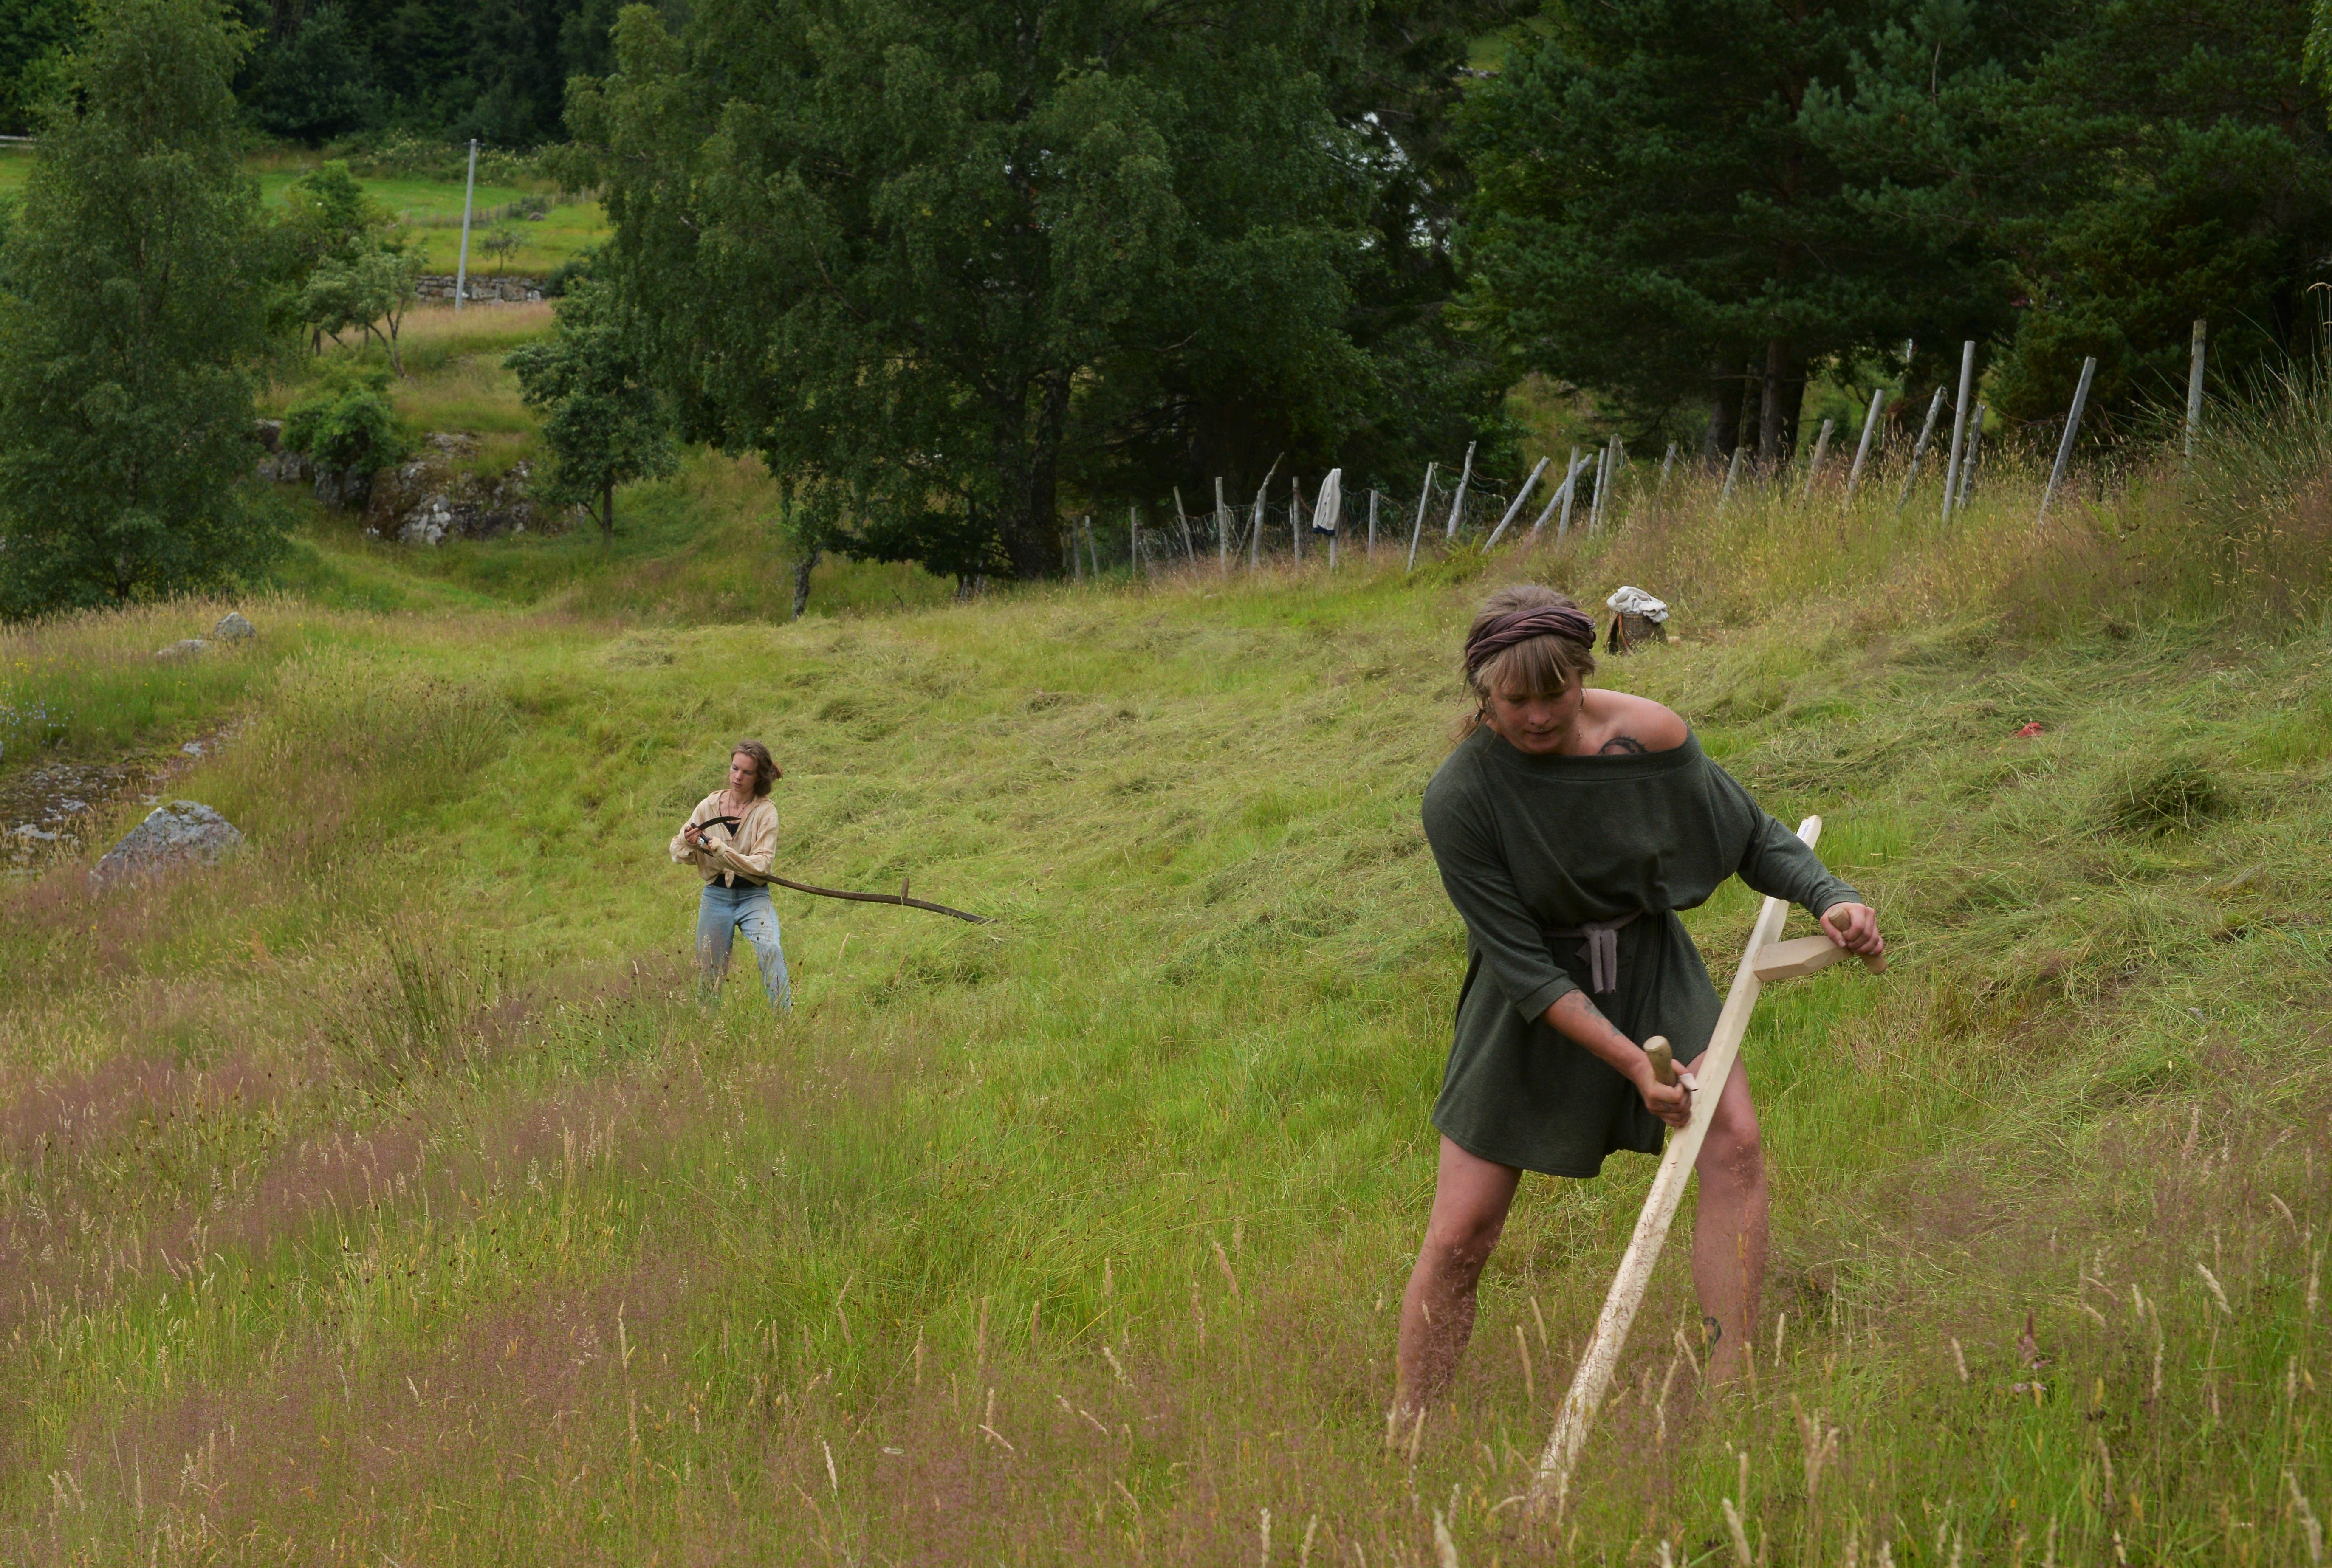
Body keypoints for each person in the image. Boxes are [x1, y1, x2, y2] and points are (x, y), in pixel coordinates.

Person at [1398, 584, 1883, 1416]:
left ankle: (1731, 1391)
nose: (1539, 717)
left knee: (1733, 1144)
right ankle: (1411, 1427)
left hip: (1649, 967)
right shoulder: (1461, 799)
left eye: (1556, 694)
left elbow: (1753, 837)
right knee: (1461, 1234)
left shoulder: (1651, 738)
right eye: (1516, 702)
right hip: (1532, 997)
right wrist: (1632, 1064)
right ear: (1484, 693)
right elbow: (1524, 970)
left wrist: (1828, 897)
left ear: (1585, 674)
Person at [670, 740, 791, 1010]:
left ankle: (785, 1023)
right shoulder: (709, 806)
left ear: (758, 777)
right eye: (735, 768)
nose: (738, 777)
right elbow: (676, 850)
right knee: (709, 969)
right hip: (716, 896)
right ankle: (707, 1028)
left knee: (771, 949)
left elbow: (762, 866)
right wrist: (692, 843)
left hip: (754, 896)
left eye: (747, 773)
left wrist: (719, 849)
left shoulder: (765, 812)